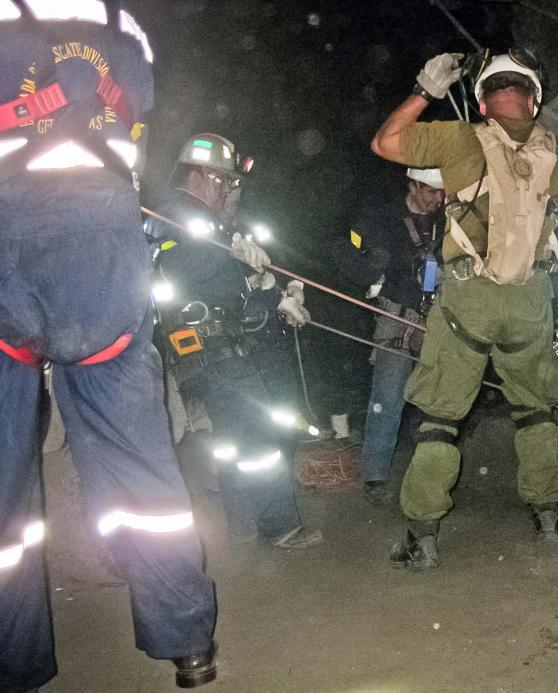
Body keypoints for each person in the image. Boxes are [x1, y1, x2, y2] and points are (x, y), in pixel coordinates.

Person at [0, 3, 217, 689]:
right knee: (140, 462)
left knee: (2, 481)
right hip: (105, 245)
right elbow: (137, 124)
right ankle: (187, 641)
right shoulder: (127, 28)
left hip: (9, 239)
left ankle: (15, 661)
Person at [371, 49, 558, 569]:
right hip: (529, 299)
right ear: (535, 99)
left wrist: (425, 89)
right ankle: (547, 514)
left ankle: (424, 533)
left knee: (440, 415)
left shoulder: (461, 137)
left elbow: (385, 143)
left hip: (468, 299)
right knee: (535, 409)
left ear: (482, 100)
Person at [149, 133, 323, 550]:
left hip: (221, 341)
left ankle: (241, 519)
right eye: (224, 180)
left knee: (231, 437)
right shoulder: (174, 213)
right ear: (201, 175)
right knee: (259, 434)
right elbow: (180, 262)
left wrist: (272, 295)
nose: (228, 189)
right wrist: (229, 252)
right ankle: (279, 525)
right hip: (207, 344)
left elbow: (228, 285)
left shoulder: (207, 220)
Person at [337, 167, 444, 505]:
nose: (436, 199)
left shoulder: (445, 222)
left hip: (436, 317)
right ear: (412, 186)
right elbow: (349, 249)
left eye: (440, 193)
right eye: (429, 191)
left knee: (440, 398)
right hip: (396, 316)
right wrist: (369, 265)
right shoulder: (383, 218)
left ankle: (434, 472)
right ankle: (375, 477)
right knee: (387, 397)